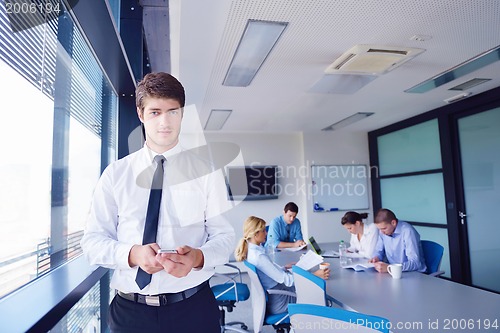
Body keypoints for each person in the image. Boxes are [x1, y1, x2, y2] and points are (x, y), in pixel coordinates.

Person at [81, 72, 235, 333]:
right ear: (141, 114)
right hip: (130, 313)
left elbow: (225, 237)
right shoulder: (116, 174)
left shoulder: (207, 172)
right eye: (155, 112)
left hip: (194, 308)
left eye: (172, 111)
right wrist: (132, 254)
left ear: (182, 114)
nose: (165, 121)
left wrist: (198, 257)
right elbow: (92, 242)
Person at [234, 216, 329, 314]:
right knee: (316, 293)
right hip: (280, 300)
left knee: (310, 288)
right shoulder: (259, 256)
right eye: (263, 231)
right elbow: (287, 281)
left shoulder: (252, 250)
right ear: (255, 234)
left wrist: (283, 268)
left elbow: (268, 270)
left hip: (276, 293)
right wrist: (315, 275)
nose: (266, 233)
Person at [369, 208, 426, 273]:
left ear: (393, 223)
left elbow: (415, 263)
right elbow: (378, 250)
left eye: (384, 228)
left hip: (413, 273)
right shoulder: (382, 232)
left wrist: (390, 268)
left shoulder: (408, 231)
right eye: (379, 229)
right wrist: (376, 257)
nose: (382, 232)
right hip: (394, 272)